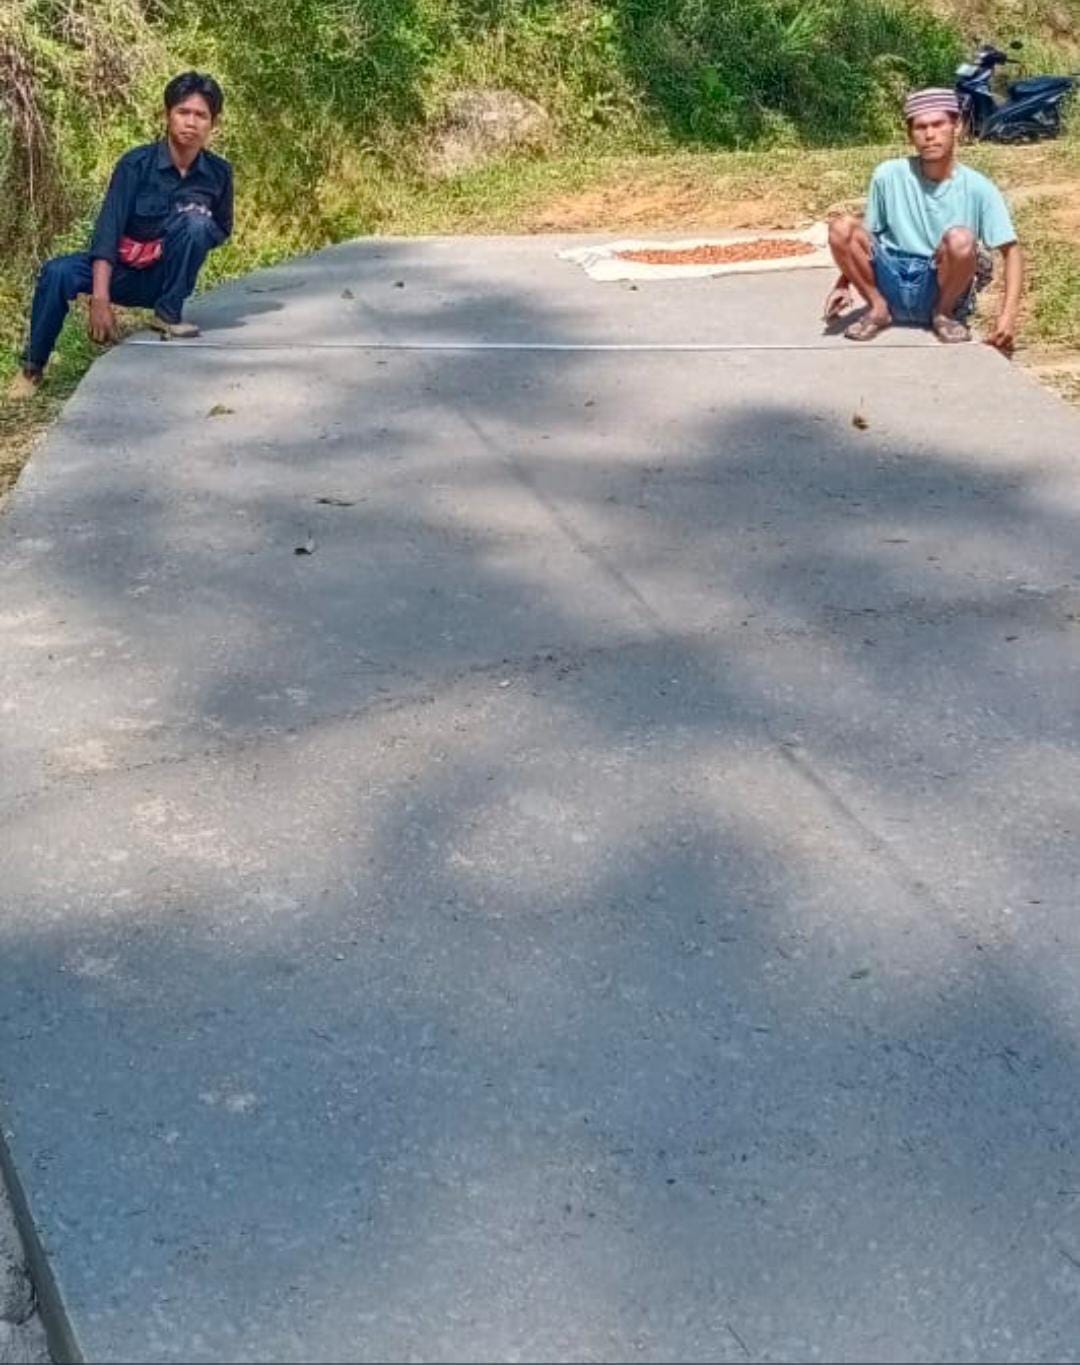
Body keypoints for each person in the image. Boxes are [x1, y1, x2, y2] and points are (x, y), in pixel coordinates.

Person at [8, 71, 233, 400]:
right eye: (183, 112)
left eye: (201, 115)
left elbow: (222, 229)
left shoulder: (219, 173)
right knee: (57, 272)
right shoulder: (135, 165)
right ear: (167, 115)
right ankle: (32, 368)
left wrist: (185, 236)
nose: (191, 122)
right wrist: (100, 299)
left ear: (214, 123)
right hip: (122, 273)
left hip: (164, 279)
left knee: (197, 223)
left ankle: (167, 315)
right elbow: (108, 231)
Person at [824, 88, 1022, 348]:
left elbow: (1011, 252)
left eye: (938, 125)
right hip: (891, 277)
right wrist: (843, 283)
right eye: (920, 127)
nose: (930, 135)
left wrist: (1008, 317)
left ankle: (944, 314)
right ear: (910, 135)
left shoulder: (979, 188)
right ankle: (878, 308)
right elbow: (867, 239)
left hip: (938, 282)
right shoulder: (888, 175)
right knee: (841, 227)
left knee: (961, 238)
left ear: (957, 127)